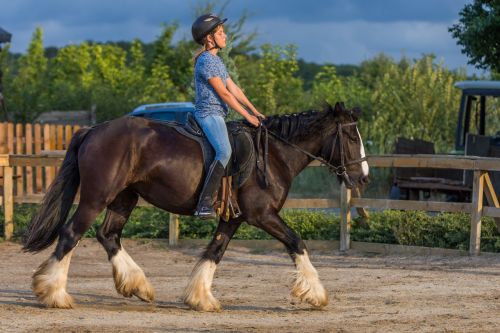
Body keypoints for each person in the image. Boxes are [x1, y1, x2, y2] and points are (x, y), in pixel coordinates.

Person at [191, 14, 265, 218]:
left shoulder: (217, 61)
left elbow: (234, 89)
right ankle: (204, 203)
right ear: (209, 38)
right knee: (224, 152)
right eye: (221, 33)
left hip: (218, 114)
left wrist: (254, 110)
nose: (226, 36)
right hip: (208, 114)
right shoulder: (206, 61)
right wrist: (247, 117)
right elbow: (224, 94)